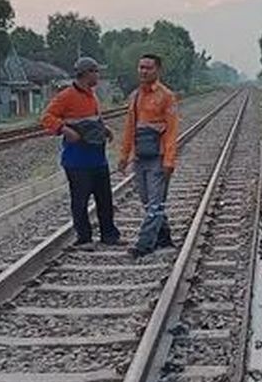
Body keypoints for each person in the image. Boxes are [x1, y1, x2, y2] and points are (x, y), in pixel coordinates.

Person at [40, 57, 121, 246]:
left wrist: (105, 128)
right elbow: (46, 117)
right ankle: (84, 238)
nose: (98, 75)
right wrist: (64, 130)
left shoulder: (92, 95)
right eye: (95, 71)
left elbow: (93, 119)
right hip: (77, 160)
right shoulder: (66, 96)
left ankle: (109, 235)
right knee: (80, 200)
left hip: (98, 159)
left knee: (105, 199)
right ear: (86, 73)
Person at [119, 54, 180, 258]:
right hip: (140, 157)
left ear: (157, 70)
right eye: (141, 67)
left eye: (148, 68)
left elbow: (172, 130)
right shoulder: (134, 96)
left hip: (158, 157)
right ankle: (164, 238)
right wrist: (124, 155)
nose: (143, 71)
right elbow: (129, 128)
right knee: (147, 202)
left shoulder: (166, 96)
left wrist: (169, 161)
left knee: (154, 203)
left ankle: (144, 245)